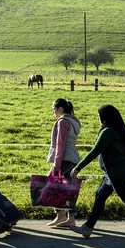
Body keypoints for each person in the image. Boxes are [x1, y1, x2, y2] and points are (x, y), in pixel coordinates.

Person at [70, 104, 125, 240]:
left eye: (99, 116)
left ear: (104, 117)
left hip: (116, 172)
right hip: (117, 171)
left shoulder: (108, 132)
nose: (98, 118)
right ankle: (88, 228)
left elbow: (95, 151)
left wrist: (78, 167)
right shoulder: (116, 130)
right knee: (100, 196)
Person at [45, 98, 82, 228]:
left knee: (51, 183)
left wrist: (56, 164)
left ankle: (60, 214)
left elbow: (60, 144)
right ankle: (70, 218)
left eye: (53, 109)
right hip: (73, 158)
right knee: (68, 189)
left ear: (60, 109)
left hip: (64, 158)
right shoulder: (73, 122)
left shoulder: (62, 122)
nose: (53, 112)